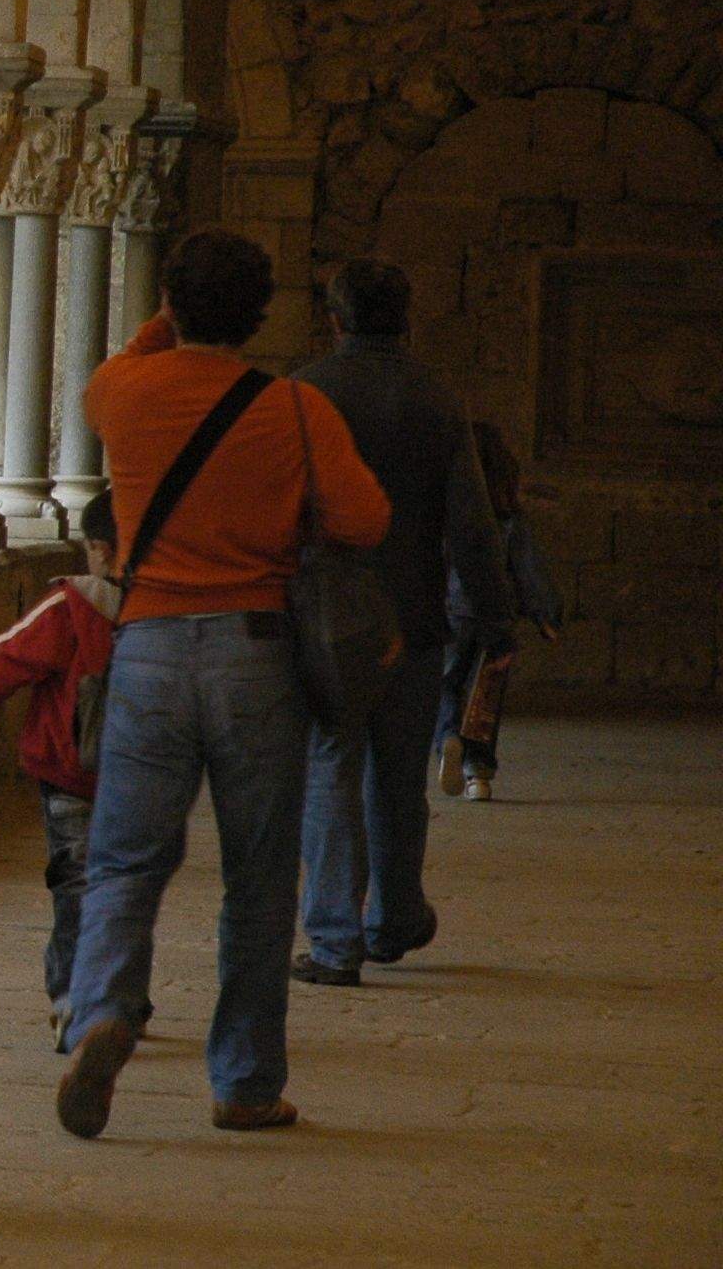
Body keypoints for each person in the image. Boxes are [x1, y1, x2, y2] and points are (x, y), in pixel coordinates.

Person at [57, 228, 390, 1141]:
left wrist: (162, 321)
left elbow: (125, 356)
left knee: (125, 859)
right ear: (261, 312)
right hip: (256, 652)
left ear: (168, 304)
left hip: (150, 648)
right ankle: (244, 1082)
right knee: (258, 876)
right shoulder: (294, 408)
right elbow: (365, 518)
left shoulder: (120, 391)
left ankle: (102, 1016)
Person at [290, 260, 517, 987]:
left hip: (323, 617)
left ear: (335, 318)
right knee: (396, 779)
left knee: (331, 767)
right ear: (408, 318)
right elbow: (473, 526)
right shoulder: (438, 399)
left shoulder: (306, 394)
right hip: (413, 616)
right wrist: (495, 616)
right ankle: (391, 920)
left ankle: (332, 938)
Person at [0, 489, 121, 1050]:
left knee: (75, 885)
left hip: (69, 772)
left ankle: (72, 1000)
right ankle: (122, 998)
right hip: (144, 775)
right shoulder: (167, 613)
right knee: (127, 885)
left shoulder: (71, 607)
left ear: (97, 547)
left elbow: (4, 664)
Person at [438, 421, 565, 803]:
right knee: (487, 694)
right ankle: (478, 775)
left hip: (455, 610)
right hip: (499, 614)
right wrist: (546, 614)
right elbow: (529, 570)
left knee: (446, 682)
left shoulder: (450, 513)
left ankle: (447, 736)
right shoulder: (510, 519)